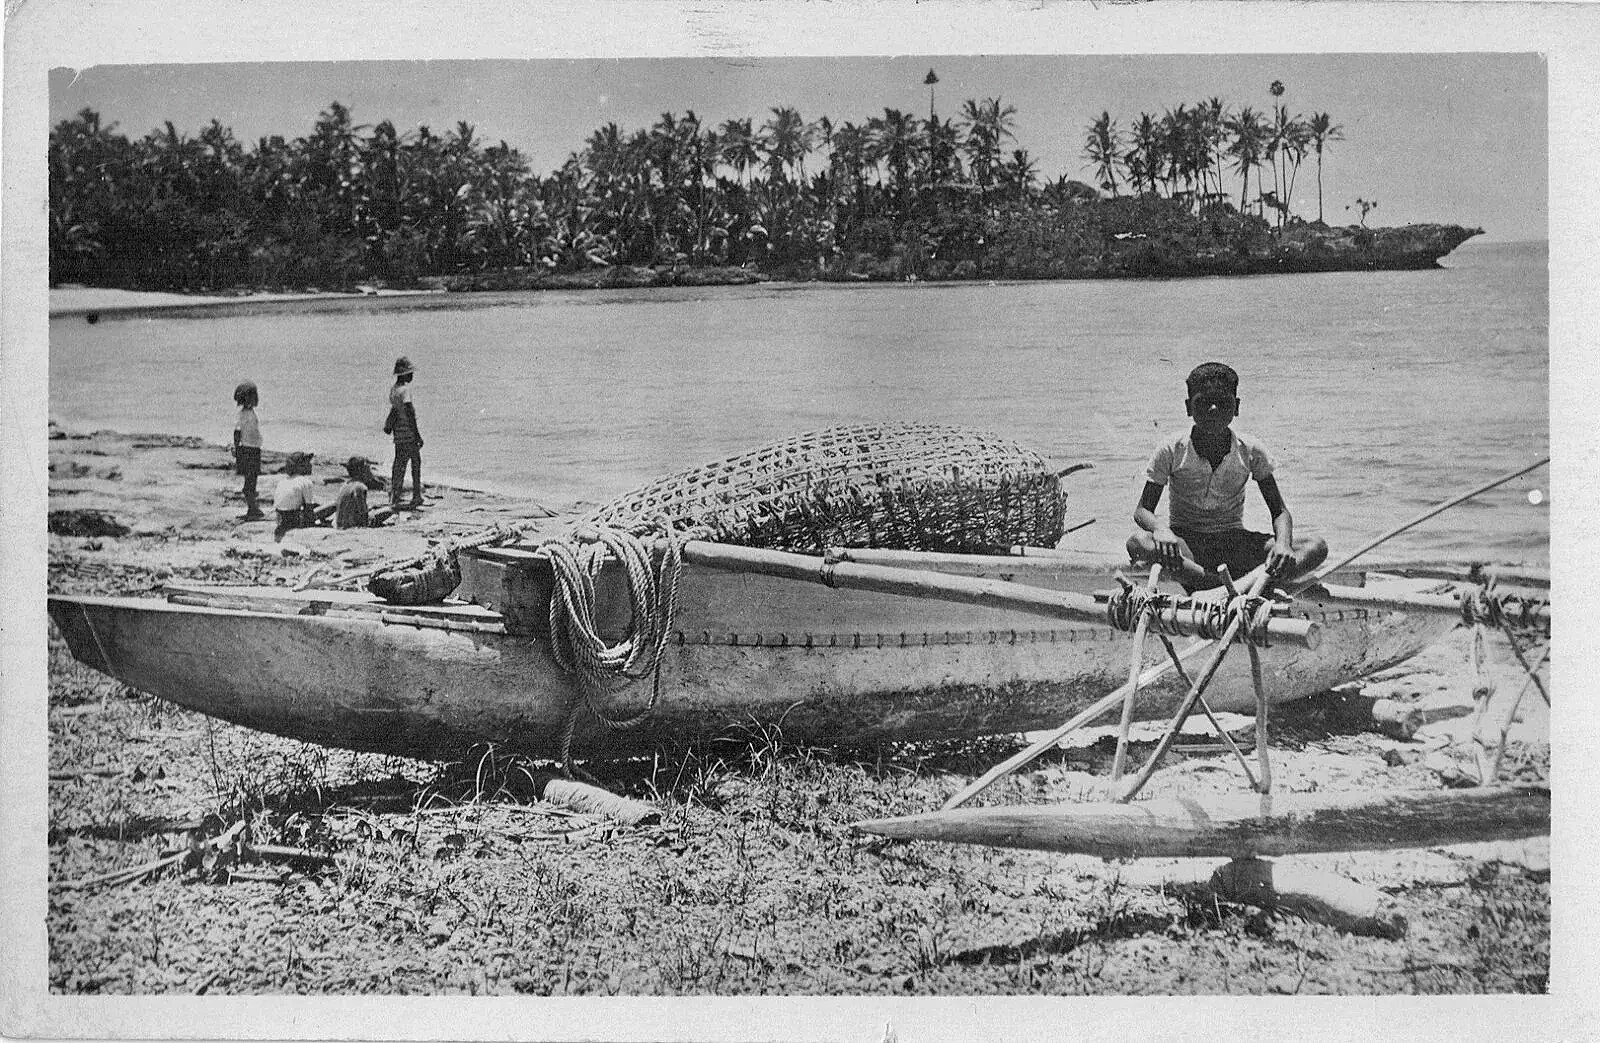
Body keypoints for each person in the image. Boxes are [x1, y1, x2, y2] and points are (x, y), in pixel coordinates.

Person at [1127, 362, 1327, 593]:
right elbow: (1142, 510)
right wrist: (1161, 530)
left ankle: (1224, 587)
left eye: (1223, 402)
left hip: (1235, 543)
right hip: (1188, 545)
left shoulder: (1249, 450)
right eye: (1203, 402)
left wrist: (1283, 544)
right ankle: (1225, 587)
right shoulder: (1172, 449)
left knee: (1315, 546)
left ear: (1237, 406)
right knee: (1139, 543)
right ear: (1188, 407)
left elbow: (1279, 511)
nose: (1213, 409)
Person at [386, 356, 424, 509]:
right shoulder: (405, 391)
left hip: (398, 434)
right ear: (405, 374)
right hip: (408, 433)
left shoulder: (394, 390)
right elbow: (409, 413)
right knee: (415, 463)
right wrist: (417, 435)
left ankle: (395, 495)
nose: (412, 375)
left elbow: (395, 411)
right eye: (410, 373)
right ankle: (416, 496)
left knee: (399, 465)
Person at [316, 456, 394, 529]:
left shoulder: (345, 484)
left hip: (339, 522)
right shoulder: (361, 487)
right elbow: (363, 514)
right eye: (368, 469)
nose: (371, 472)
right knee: (389, 510)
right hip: (352, 524)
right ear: (361, 471)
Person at [232, 381, 265, 521]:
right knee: (250, 480)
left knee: (253, 479)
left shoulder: (250, 412)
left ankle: (253, 507)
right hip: (247, 450)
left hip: (253, 449)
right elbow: (237, 432)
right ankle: (252, 508)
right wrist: (237, 448)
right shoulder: (243, 414)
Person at [272, 451, 319, 542]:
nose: (310, 465)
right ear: (299, 466)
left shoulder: (282, 481)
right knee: (331, 506)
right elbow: (308, 509)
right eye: (307, 462)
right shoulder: (305, 481)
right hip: (293, 519)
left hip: (280, 519)